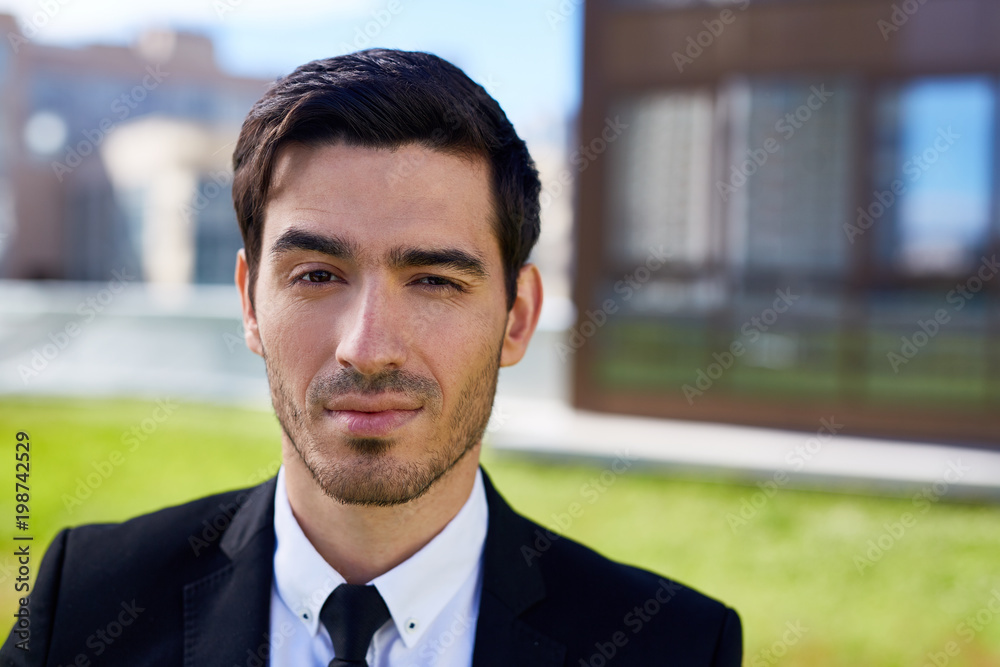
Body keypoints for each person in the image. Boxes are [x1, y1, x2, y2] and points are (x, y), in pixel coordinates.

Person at [1, 49, 741, 666]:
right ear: (251, 303)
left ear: (517, 319)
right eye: (318, 275)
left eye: (433, 281)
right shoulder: (83, 605)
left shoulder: (672, 644)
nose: (369, 346)